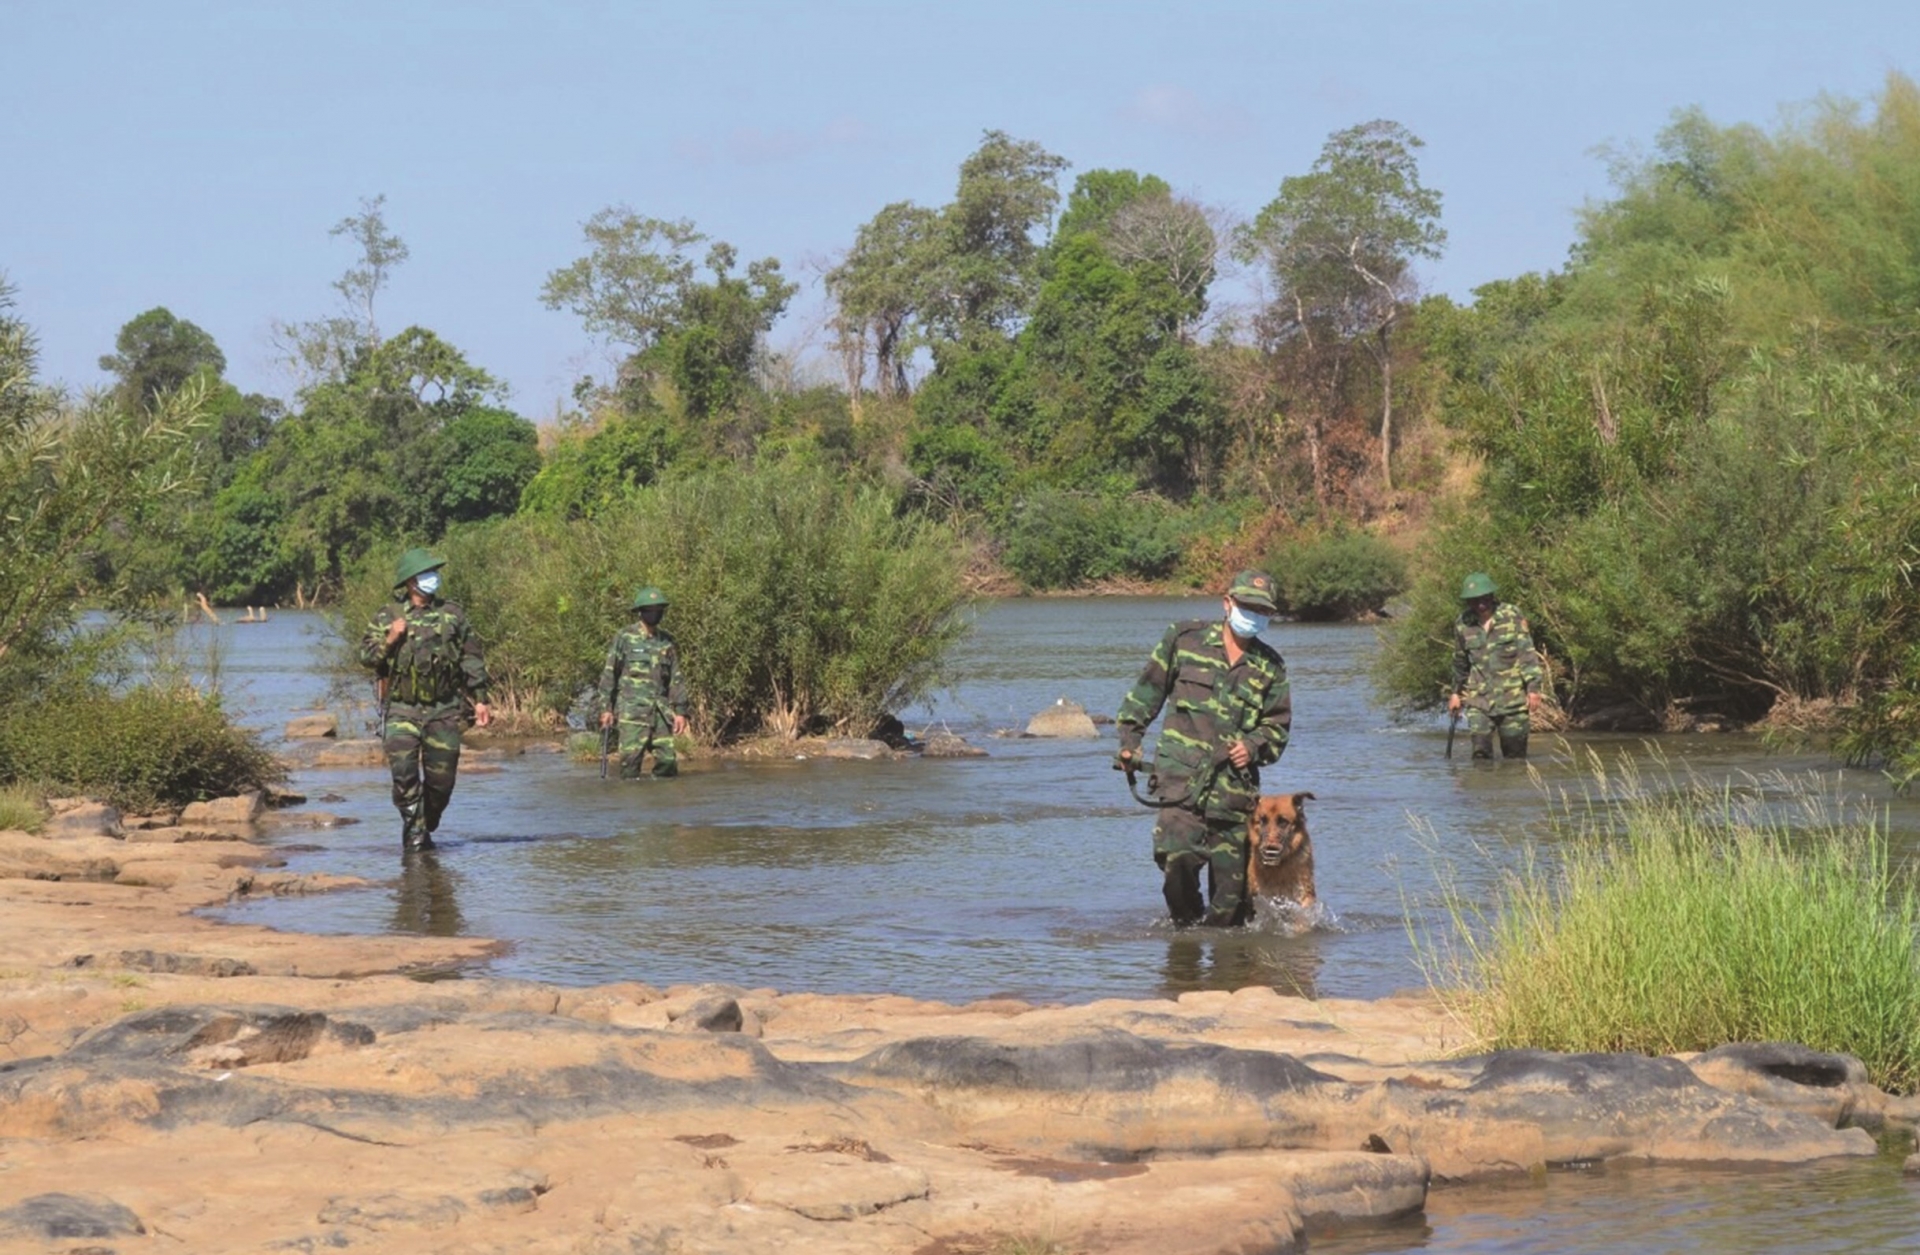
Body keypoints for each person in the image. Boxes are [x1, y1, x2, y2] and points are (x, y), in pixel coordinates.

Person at [1114, 570, 1293, 927]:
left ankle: (1225, 956)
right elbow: (1146, 694)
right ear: (1228, 603)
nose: (1254, 615)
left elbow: (1277, 729)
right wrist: (1130, 744)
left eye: (1263, 610)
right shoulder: (1184, 640)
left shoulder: (1271, 667)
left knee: (1232, 905)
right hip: (1179, 783)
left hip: (1234, 794)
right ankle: (1186, 940)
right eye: (1248, 606)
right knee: (1176, 860)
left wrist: (1252, 746)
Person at [359, 548, 491, 851]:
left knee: (441, 784)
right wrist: (391, 638)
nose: (433, 578)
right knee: (404, 777)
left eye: (433, 573)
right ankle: (416, 841)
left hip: (442, 710)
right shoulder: (388, 615)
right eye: (426, 573)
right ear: (410, 581)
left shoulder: (452, 614)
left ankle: (424, 824)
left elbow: (471, 656)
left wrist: (480, 698)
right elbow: (366, 657)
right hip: (402, 710)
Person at [1447, 572, 1545, 760]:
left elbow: (1527, 654)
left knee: (1515, 758)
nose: (1479, 604)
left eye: (1483, 598)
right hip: (1479, 701)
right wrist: (1455, 694)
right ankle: (1484, 780)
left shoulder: (1512, 615)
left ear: (1491, 595)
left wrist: (1533, 688)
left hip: (1513, 701)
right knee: (1480, 755)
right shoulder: (1463, 623)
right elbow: (1460, 661)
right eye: (1473, 600)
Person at [597, 585, 691, 779]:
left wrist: (681, 712)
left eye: (658, 610)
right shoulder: (625, 637)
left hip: (660, 713)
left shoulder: (667, 642)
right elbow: (610, 674)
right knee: (630, 766)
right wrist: (606, 708)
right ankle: (632, 798)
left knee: (667, 764)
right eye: (650, 609)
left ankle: (660, 797)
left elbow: (676, 678)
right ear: (640, 611)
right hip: (632, 713)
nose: (654, 613)